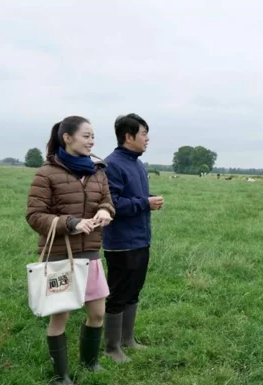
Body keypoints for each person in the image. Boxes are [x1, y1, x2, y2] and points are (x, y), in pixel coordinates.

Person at [26, 116, 115, 385]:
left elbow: (108, 202)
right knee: (60, 317)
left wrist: (104, 211)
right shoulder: (47, 172)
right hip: (59, 256)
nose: (92, 141)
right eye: (86, 135)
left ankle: (90, 363)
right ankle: (61, 375)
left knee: (98, 313)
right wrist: (72, 223)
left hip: (90, 254)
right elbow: (34, 215)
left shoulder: (98, 170)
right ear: (67, 137)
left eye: (93, 136)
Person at [101, 113, 164, 363]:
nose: (147, 139)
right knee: (118, 293)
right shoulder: (112, 165)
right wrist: (145, 203)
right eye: (144, 134)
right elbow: (111, 204)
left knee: (134, 290)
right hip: (120, 244)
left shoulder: (137, 164)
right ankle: (111, 348)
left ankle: (128, 340)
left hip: (140, 239)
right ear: (129, 137)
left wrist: (145, 204)